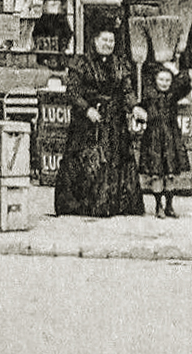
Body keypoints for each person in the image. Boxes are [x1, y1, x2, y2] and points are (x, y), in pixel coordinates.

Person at [55, 26, 144, 217]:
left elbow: (126, 90)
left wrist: (134, 106)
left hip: (114, 121)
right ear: (95, 41)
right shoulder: (81, 63)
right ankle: (85, 206)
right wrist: (87, 109)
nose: (108, 44)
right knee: (89, 160)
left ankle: (116, 205)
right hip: (87, 122)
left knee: (117, 158)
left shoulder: (120, 63)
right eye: (104, 40)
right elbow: (73, 92)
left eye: (111, 41)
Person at [138, 59, 192, 218]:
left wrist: (174, 69)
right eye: (161, 79)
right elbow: (140, 108)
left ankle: (169, 205)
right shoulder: (150, 94)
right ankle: (158, 206)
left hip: (170, 136)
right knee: (156, 173)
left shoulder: (172, 94)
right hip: (154, 137)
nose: (164, 83)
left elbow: (185, 84)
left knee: (170, 173)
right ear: (155, 80)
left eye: (168, 80)